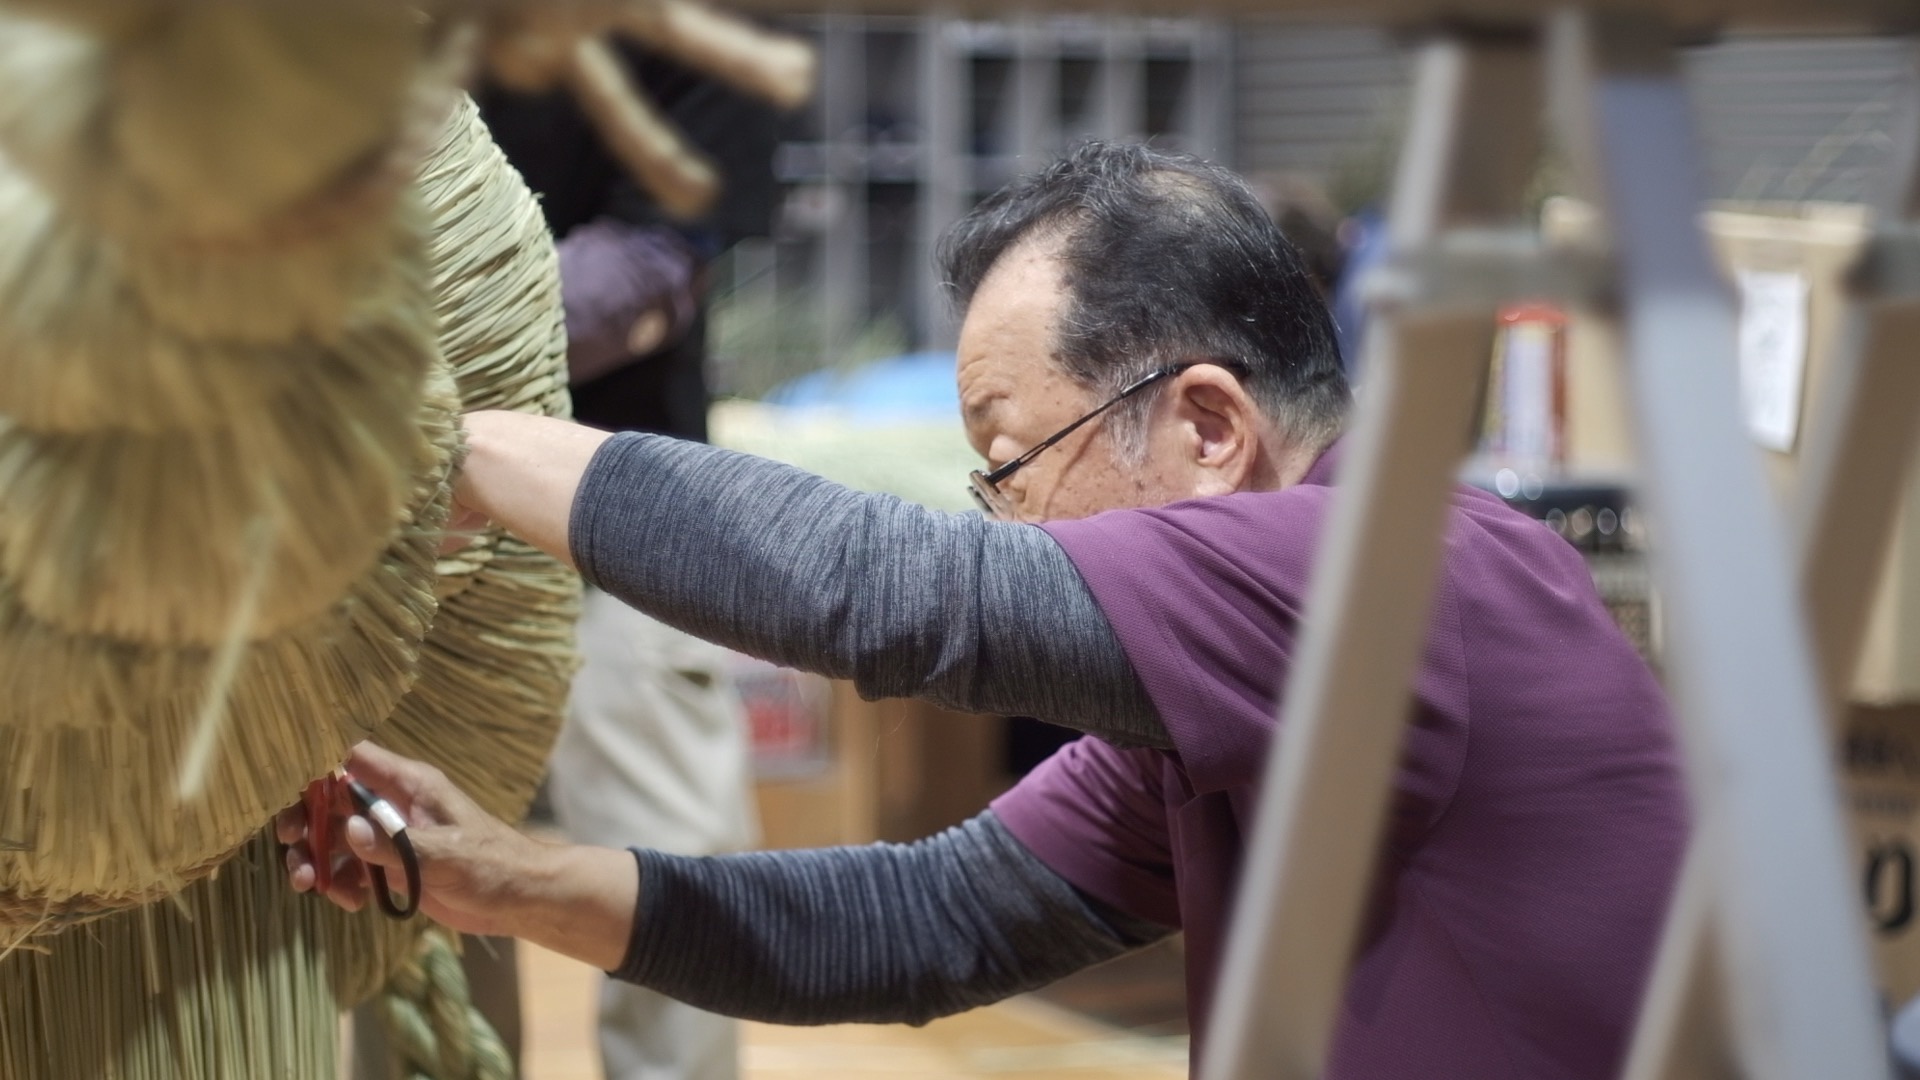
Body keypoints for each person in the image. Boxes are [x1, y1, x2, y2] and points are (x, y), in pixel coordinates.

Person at [288, 141, 1686, 1080]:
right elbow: (925, 918)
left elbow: (890, 595)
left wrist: (455, 445)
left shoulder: (1392, 571)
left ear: (1206, 427)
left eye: (1009, 462)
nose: (1000, 522)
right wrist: (502, 881)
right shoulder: (1268, 668)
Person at [480, 48, 780, 1080]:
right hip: (402, 517)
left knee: (668, 866)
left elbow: (658, 255)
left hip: (622, 509)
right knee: (405, 870)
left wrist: (421, 343)